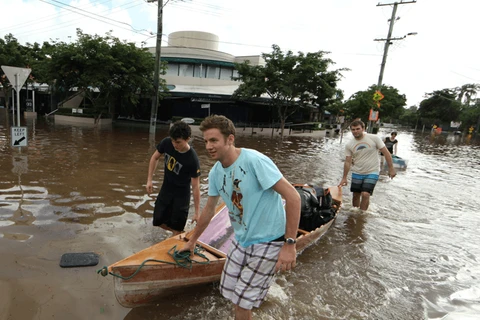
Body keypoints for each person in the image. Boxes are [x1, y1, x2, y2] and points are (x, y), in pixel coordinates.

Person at [181, 115, 301, 320]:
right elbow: (209, 210)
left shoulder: (255, 161)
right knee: (227, 290)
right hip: (241, 239)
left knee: (241, 304)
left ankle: (252, 297)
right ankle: (259, 292)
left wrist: (289, 244)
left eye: (214, 140)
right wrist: (192, 241)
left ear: (230, 139)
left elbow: (293, 197)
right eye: (206, 140)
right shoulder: (216, 172)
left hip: (268, 240)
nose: (208, 146)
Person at [146, 120, 201, 236]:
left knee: (176, 226)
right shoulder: (167, 143)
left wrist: (197, 212)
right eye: (172, 141)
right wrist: (149, 180)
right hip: (166, 188)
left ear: (187, 139)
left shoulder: (192, 159)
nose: (174, 145)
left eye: (178, 142)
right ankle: (179, 232)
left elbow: (196, 187)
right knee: (157, 220)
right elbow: (154, 158)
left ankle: (177, 233)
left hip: (182, 195)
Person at [338, 120, 396, 211]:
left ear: (363, 129)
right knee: (356, 195)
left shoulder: (374, 138)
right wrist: (344, 177)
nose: (355, 131)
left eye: (358, 129)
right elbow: (348, 162)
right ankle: (355, 214)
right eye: (353, 129)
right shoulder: (349, 145)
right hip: (357, 171)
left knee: (365, 194)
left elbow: (386, 153)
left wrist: (391, 168)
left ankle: (362, 215)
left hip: (372, 171)